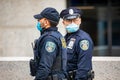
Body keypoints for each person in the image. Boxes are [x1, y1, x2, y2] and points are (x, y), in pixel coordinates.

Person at [32, 7, 67, 80]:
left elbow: (45, 66)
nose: (38, 21)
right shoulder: (58, 35)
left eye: (39, 19)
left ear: (46, 21)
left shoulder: (49, 39)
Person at [60, 7, 94, 80]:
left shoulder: (83, 39)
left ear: (80, 21)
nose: (72, 23)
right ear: (63, 22)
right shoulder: (64, 39)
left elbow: (84, 68)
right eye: (69, 20)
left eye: (75, 20)